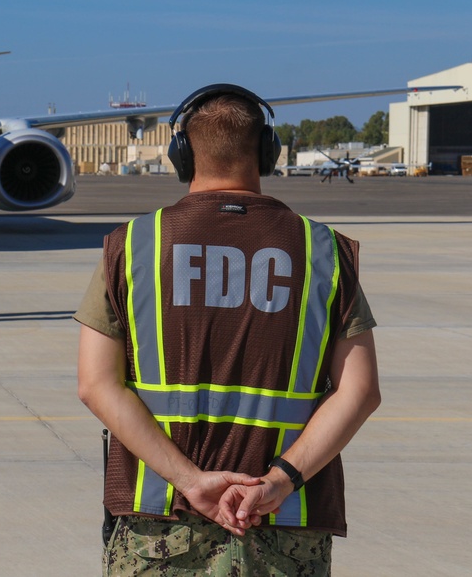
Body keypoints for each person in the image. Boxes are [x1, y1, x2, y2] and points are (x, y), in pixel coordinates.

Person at [75, 84, 381, 576]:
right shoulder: (323, 251)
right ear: (267, 151)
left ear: (182, 154)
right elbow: (360, 391)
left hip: (161, 524)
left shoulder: (131, 246)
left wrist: (191, 480)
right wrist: (278, 482)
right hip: (284, 525)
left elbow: (96, 385)